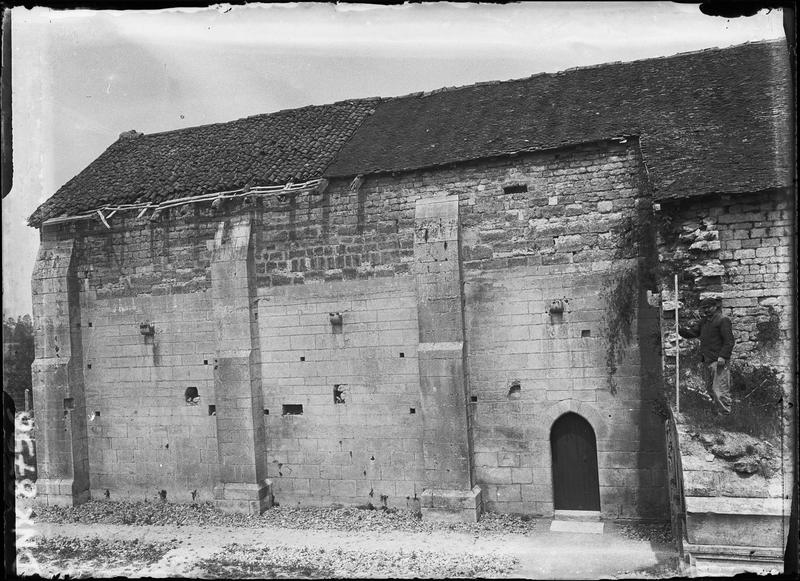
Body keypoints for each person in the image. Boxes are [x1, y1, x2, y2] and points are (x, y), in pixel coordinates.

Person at [679, 296, 735, 414]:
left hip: (718, 361)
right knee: (710, 389)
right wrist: (681, 330)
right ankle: (717, 413)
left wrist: (723, 356)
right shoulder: (704, 321)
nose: (706, 310)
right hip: (707, 360)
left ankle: (725, 415)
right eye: (704, 308)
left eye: (709, 307)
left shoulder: (722, 320)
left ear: (715, 307)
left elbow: (729, 341)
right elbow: (693, 333)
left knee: (720, 389)